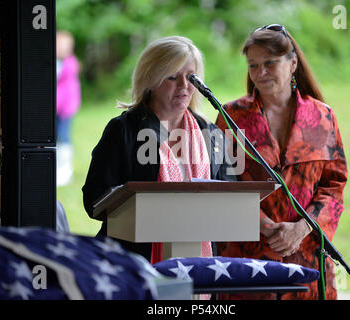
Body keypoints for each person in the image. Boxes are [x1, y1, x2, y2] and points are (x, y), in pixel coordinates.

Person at [215, 24, 348, 300]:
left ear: (293, 63)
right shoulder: (230, 117)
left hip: (309, 259)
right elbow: (221, 184)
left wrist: (301, 227)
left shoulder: (323, 116)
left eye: (270, 63)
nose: (260, 73)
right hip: (248, 260)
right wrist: (265, 226)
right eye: (253, 65)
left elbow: (334, 185)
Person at [82, 36, 236, 264]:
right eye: (172, 77)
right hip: (134, 262)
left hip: (200, 264)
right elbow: (94, 199)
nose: (184, 86)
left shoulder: (210, 134)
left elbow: (231, 196)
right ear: (150, 80)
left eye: (191, 77)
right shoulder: (123, 130)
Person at [56, 30, 81, 186]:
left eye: (65, 46)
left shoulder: (70, 64)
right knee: (55, 139)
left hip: (65, 109)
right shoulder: (55, 62)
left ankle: (65, 171)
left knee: (64, 137)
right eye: (59, 46)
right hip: (55, 108)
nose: (61, 49)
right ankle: (57, 167)